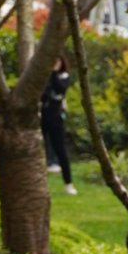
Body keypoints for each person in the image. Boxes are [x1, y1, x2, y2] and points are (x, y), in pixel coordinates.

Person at [40, 62, 77, 191]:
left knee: (60, 149)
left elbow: (60, 88)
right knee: (39, 147)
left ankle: (68, 183)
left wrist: (54, 73)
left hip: (56, 117)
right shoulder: (42, 77)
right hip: (42, 116)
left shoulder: (64, 76)